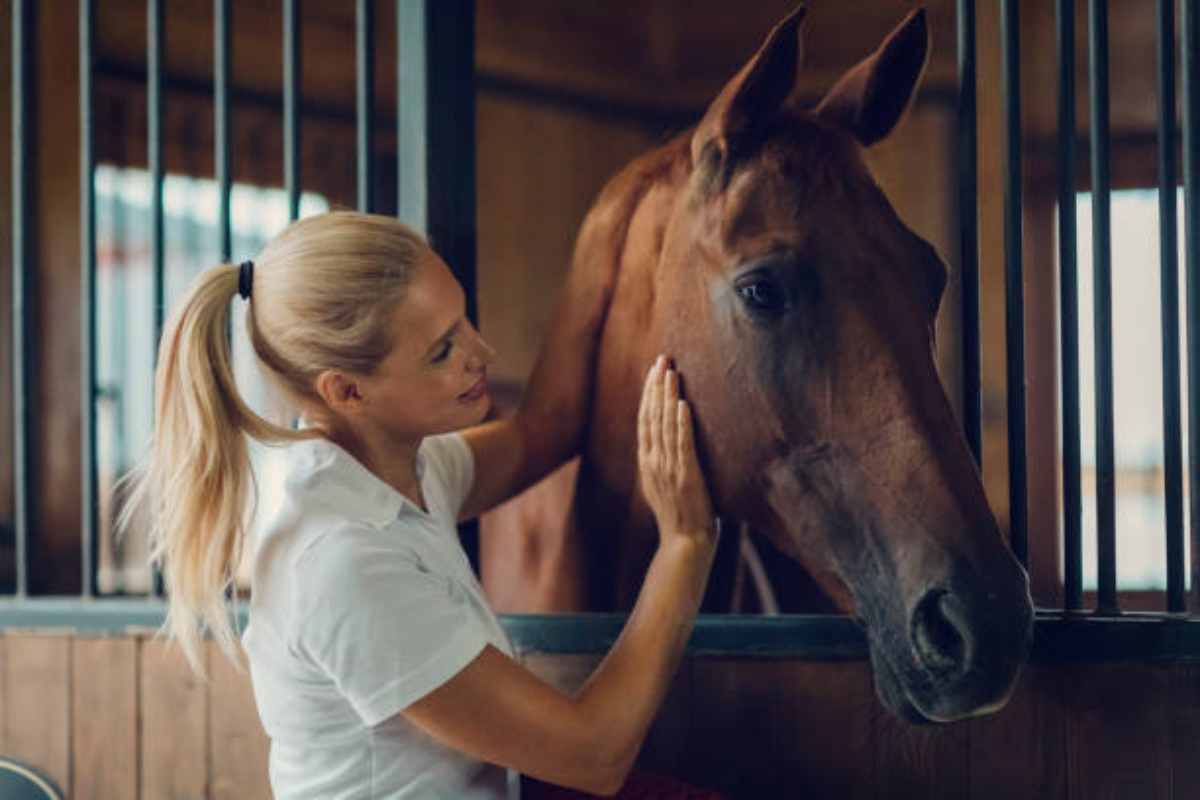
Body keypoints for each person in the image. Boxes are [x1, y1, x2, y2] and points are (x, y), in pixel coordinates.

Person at [117, 210, 724, 799]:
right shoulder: (342, 559)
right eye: (441, 351)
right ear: (347, 391)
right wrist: (686, 546)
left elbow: (543, 429)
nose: (481, 353)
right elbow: (594, 756)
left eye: (464, 322)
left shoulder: (401, 467)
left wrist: (605, 232)